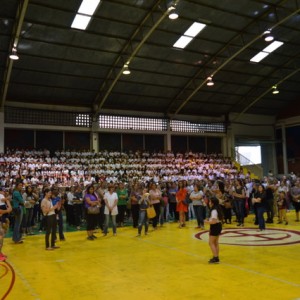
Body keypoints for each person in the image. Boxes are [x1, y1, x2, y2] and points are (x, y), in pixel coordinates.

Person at [204, 196, 223, 264]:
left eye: (210, 202)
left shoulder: (214, 211)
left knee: (211, 243)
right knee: (215, 242)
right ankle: (216, 256)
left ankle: (215, 258)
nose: (209, 203)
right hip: (218, 226)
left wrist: (207, 222)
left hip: (215, 226)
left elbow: (214, 221)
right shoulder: (217, 209)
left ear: (212, 203)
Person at [0, 194, 12, 261]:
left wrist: (7, 200)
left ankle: (0, 253)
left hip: (3, 221)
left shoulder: (1, 195)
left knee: (2, 238)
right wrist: (7, 210)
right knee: (0, 238)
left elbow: (10, 209)